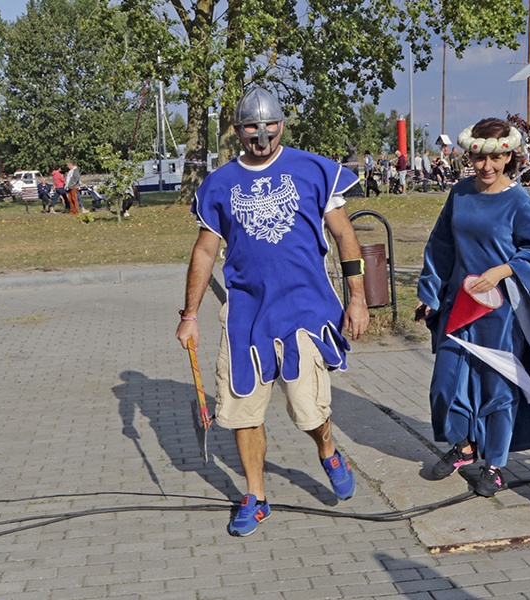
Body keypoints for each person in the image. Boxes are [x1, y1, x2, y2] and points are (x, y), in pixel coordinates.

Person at [175, 86, 369, 537]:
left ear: (283, 123)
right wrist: (189, 314)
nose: (261, 138)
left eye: (269, 128)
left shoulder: (314, 170)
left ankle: (327, 450)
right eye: (250, 129)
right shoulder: (219, 183)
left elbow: (345, 237)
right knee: (243, 410)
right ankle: (256, 496)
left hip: (305, 310)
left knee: (307, 411)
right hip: (246, 316)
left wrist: (357, 298)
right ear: (238, 130)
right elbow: (205, 253)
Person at [416, 117, 530, 497]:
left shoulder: (520, 201)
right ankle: (465, 446)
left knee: (496, 387)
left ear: (509, 156)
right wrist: (429, 292)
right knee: (445, 382)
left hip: (499, 315)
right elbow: (440, 246)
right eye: (479, 158)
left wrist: (502, 270)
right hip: (457, 307)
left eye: (496, 159)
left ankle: (496, 463)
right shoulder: (460, 194)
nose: (486, 167)